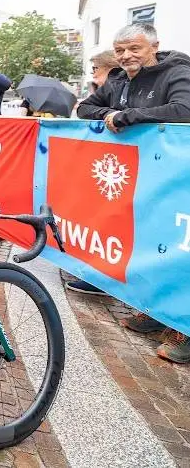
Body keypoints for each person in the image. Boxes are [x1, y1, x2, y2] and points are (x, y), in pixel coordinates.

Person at [77, 22, 190, 363]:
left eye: (134, 49)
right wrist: (112, 113)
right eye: (121, 50)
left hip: (179, 179)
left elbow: (184, 110)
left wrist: (129, 116)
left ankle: (184, 330)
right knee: (150, 242)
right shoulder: (117, 79)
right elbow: (86, 108)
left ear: (154, 46)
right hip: (143, 178)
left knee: (179, 248)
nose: (126, 56)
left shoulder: (177, 72)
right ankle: (158, 312)